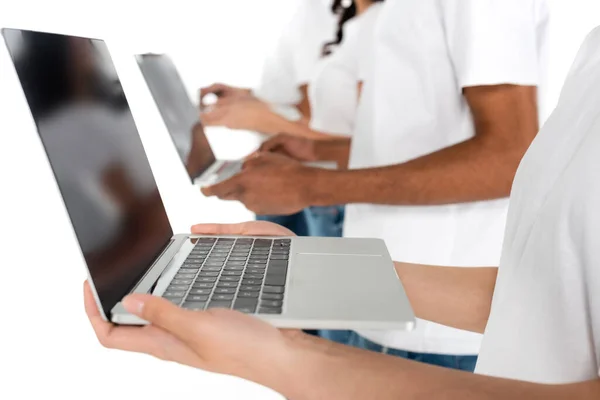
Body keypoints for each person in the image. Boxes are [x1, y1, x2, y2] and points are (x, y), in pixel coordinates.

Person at [85, 27, 600, 394]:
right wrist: (311, 270)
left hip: (433, 347)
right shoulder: (592, 55)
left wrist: (287, 359)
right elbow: (553, 298)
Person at [200, 0, 550, 371]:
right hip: (378, 297)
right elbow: (413, 138)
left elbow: (511, 157)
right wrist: (315, 149)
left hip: (435, 327)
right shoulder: (385, 14)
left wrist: (315, 186)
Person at [199, 0, 337, 238]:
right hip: (294, 178)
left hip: (317, 188)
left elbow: (330, 128)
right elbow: (313, 104)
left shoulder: (326, 14)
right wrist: (253, 98)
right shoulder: (314, 12)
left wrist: (258, 117)